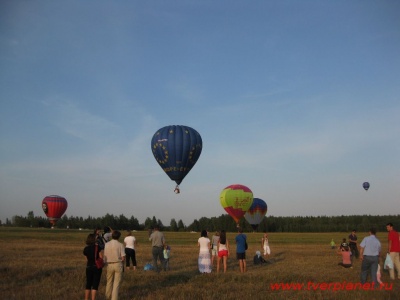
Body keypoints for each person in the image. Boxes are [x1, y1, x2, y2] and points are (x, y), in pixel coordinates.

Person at [104, 230, 125, 300]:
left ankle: (107, 297)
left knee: (109, 282)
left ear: (112, 236)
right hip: (118, 264)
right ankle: (114, 298)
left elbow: (105, 256)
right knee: (116, 283)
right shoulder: (120, 245)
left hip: (109, 264)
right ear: (119, 237)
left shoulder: (106, 244)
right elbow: (123, 257)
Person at [83, 233, 103, 300]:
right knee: (95, 285)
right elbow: (101, 257)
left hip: (89, 267)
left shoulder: (86, 249)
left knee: (88, 284)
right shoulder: (98, 247)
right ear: (94, 239)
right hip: (96, 267)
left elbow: (86, 259)